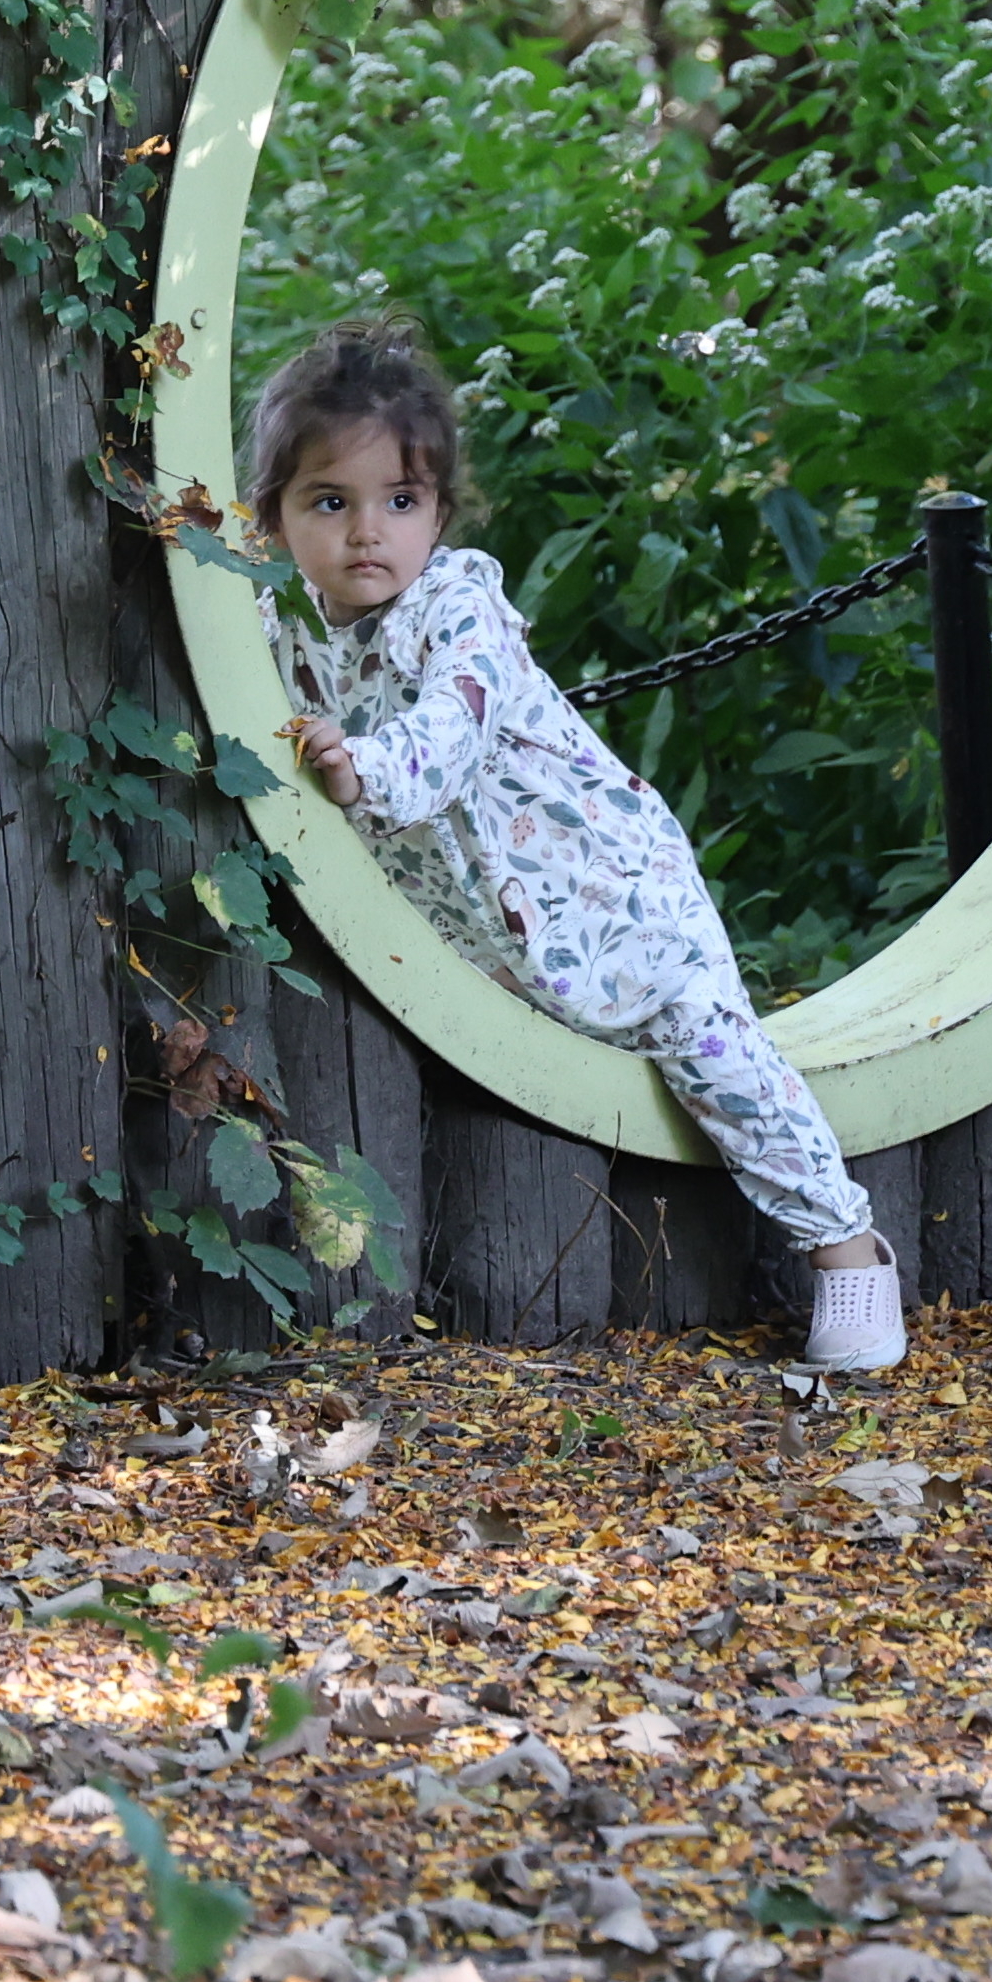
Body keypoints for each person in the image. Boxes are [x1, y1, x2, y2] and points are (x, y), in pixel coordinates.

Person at [252, 314, 907, 1372]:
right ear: (274, 521)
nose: (367, 532)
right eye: (331, 502)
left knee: (716, 1053)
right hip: (498, 937)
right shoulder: (286, 630)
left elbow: (448, 735)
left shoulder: (456, 603)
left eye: (400, 501)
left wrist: (360, 767)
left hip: (615, 889)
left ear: (441, 514)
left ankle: (844, 1247)